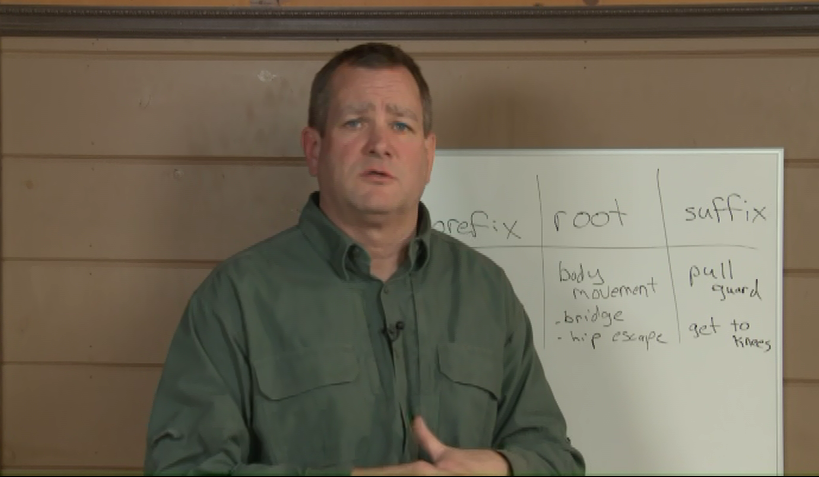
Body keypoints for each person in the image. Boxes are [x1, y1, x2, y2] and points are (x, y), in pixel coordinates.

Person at [143, 41, 585, 476]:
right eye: (355, 123)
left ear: (428, 156)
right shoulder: (235, 297)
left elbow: (555, 457)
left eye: (401, 126)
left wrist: (500, 468)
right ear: (313, 148)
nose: (380, 144)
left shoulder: (486, 291)